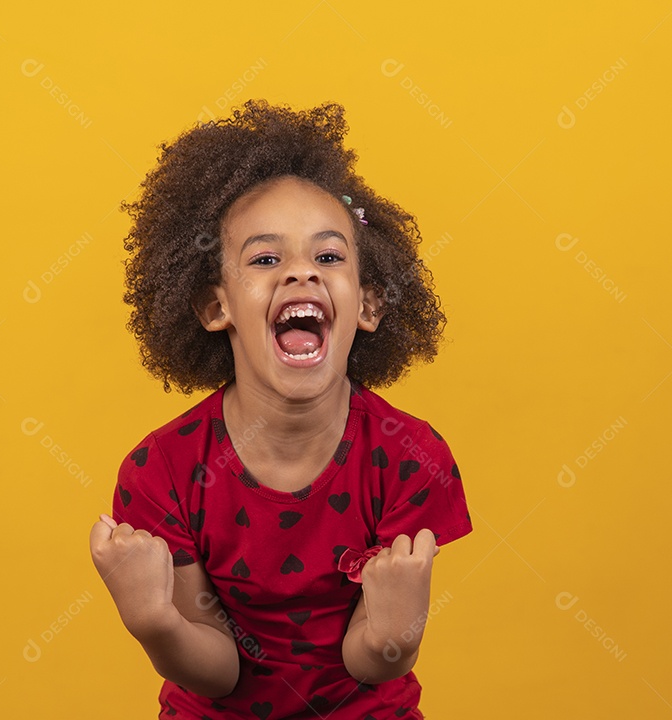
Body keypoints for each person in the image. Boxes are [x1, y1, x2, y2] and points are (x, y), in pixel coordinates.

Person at [89, 99, 473, 719]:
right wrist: (156, 624)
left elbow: (368, 659)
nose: (302, 274)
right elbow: (216, 672)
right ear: (215, 308)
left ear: (368, 305)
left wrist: (392, 635)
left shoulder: (411, 457)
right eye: (266, 259)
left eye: (328, 256)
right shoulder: (161, 470)